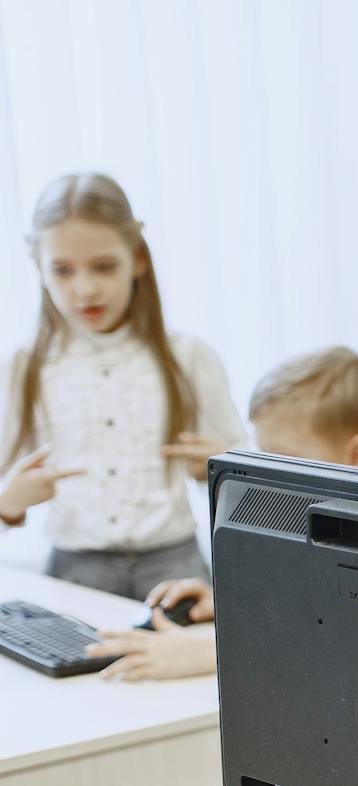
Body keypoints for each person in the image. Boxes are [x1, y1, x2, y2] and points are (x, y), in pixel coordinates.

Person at [84, 347, 358, 680]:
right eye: (262, 454)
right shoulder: (306, 520)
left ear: (357, 455)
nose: (267, 472)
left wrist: (213, 652)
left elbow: (355, 641)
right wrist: (229, 602)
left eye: (282, 457)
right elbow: (303, 608)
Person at [0, 173, 243, 598]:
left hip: (176, 570)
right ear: (39, 268)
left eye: (104, 266)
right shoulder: (26, 367)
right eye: (63, 270)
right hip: (73, 573)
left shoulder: (188, 357)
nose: (86, 288)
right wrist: (9, 503)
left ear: (138, 259)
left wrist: (220, 469)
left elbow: (251, 480)